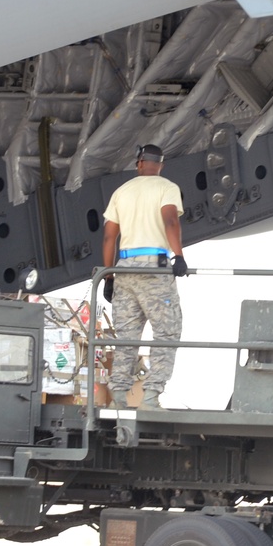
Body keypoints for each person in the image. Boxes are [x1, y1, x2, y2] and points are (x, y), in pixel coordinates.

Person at [101, 144, 189, 409]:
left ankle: (118, 397)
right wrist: (179, 256)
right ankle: (150, 395)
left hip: (125, 268)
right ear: (160, 165)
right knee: (167, 331)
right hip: (154, 268)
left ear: (139, 163)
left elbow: (108, 237)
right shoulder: (166, 188)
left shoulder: (121, 192)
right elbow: (170, 221)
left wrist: (108, 277)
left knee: (127, 335)